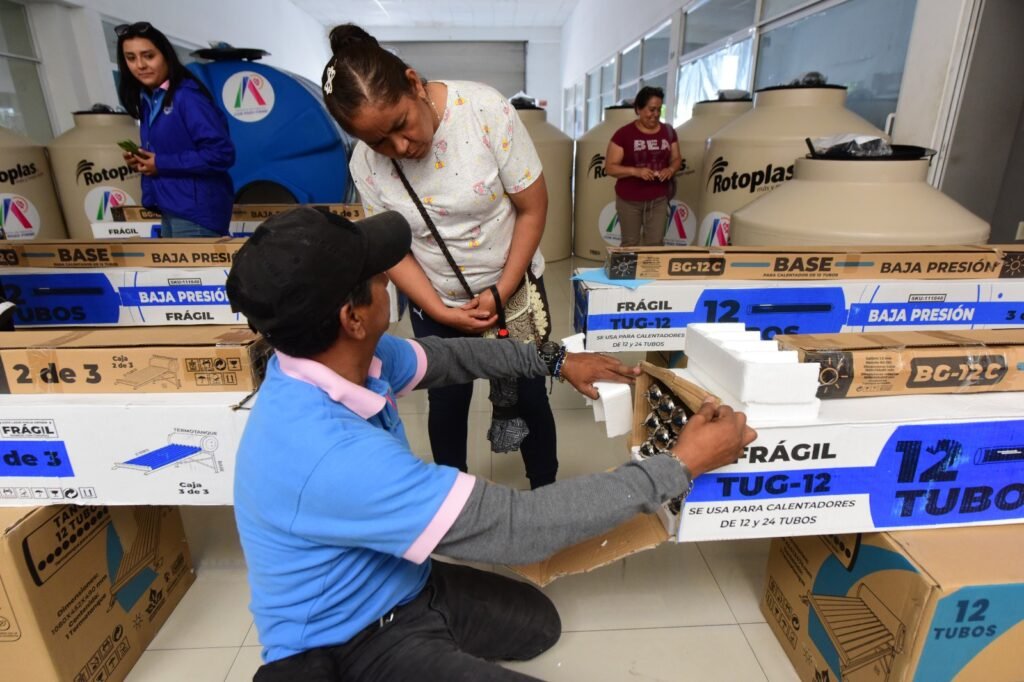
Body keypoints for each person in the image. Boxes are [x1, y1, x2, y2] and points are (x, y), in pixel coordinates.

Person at [226, 206, 756, 681]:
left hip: (405, 582)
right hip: (342, 643)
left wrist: (552, 360)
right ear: (352, 317)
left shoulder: (349, 356)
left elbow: (454, 357)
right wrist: (680, 464)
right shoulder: (325, 452)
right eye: (377, 274)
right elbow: (518, 528)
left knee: (537, 625)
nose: (390, 275)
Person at [323, 24, 560, 488]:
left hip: (512, 290)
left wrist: (503, 287)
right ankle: (453, 506)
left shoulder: (485, 110)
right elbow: (394, 251)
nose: (400, 148)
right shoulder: (365, 166)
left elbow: (533, 208)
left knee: (530, 393)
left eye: (400, 126)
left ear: (413, 83)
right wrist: (435, 310)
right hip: (437, 299)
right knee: (447, 401)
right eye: (378, 143)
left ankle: (544, 494)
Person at [115, 22, 235, 237]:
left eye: (148, 56)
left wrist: (159, 163)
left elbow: (221, 153)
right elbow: (171, 149)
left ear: (166, 56)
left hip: (195, 213)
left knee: (193, 273)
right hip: (170, 206)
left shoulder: (187, 98)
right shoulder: (149, 99)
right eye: (131, 58)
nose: (140, 65)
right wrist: (143, 160)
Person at [604, 86, 682, 247]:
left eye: (659, 110)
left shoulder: (668, 132)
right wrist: (635, 171)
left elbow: (676, 159)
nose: (655, 114)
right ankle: (628, 273)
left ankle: (651, 273)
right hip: (629, 200)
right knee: (630, 244)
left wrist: (671, 169)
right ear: (638, 109)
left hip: (658, 199)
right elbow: (610, 167)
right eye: (651, 109)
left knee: (655, 245)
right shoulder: (624, 135)